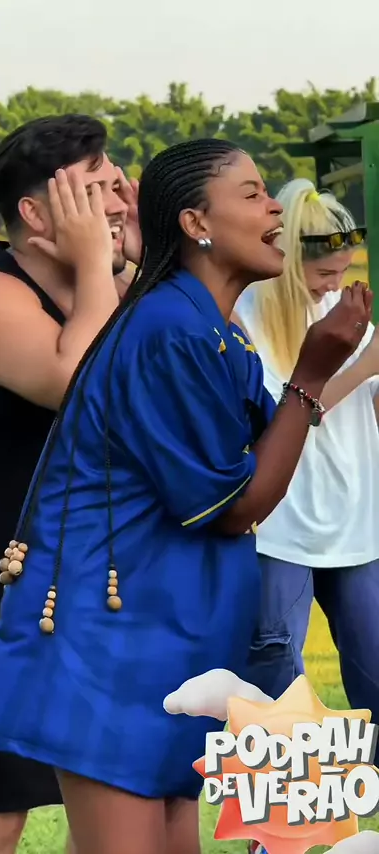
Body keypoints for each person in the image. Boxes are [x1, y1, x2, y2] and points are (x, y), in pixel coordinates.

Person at [0, 140, 370, 854]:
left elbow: (269, 444)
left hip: (172, 638)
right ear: (195, 223)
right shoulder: (168, 331)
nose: (275, 208)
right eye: (252, 194)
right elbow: (236, 507)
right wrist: (312, 372)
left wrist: (319, 372)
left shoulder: (213, 329)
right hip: (112, 643)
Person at [0, 114, 141, 854]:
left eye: (118, 184)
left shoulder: (108, 287)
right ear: (37, 215)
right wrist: (104, 267)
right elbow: (82, 384)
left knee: (108, 801)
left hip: (88, 583)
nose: (119, 201)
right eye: (96, 190)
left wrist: (142, 263)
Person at [234, 179, 379, 755]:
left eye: (343, 272)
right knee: (277, 684)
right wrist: (363, 364)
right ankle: (284, 810)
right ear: (291, 264)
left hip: (357, 524)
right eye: (323, 274)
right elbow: (286, 417)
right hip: (282, 528)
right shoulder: (247, 318)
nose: (334, 285)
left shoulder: (344, 312)